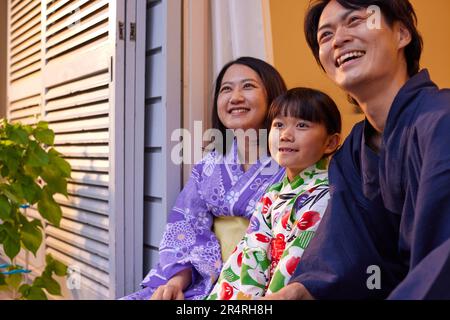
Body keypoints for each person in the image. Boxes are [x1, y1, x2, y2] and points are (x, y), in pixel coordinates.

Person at [264, 0, 450, 300]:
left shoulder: (442, 120)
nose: (338, 40)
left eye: (355, 21)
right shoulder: (352, 154)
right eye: (325, 35)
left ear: (402, 34)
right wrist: (301, 290)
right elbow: (347, 250)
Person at [121, 57, 287, 300]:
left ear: (273, 95)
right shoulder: (208, 167)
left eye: (248, 86)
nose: (235, 97)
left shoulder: (294, 164)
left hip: (265, 285)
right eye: (226, 89)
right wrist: (176, 282)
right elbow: (186, 229)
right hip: (205, 284)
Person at [207, 87, 341, 300]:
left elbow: (293, 265)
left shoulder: (323, 194)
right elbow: (251, 250)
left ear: (330, 143)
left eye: (302, 125)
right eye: (278, 125)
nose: (286, 135)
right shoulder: (275, 191)